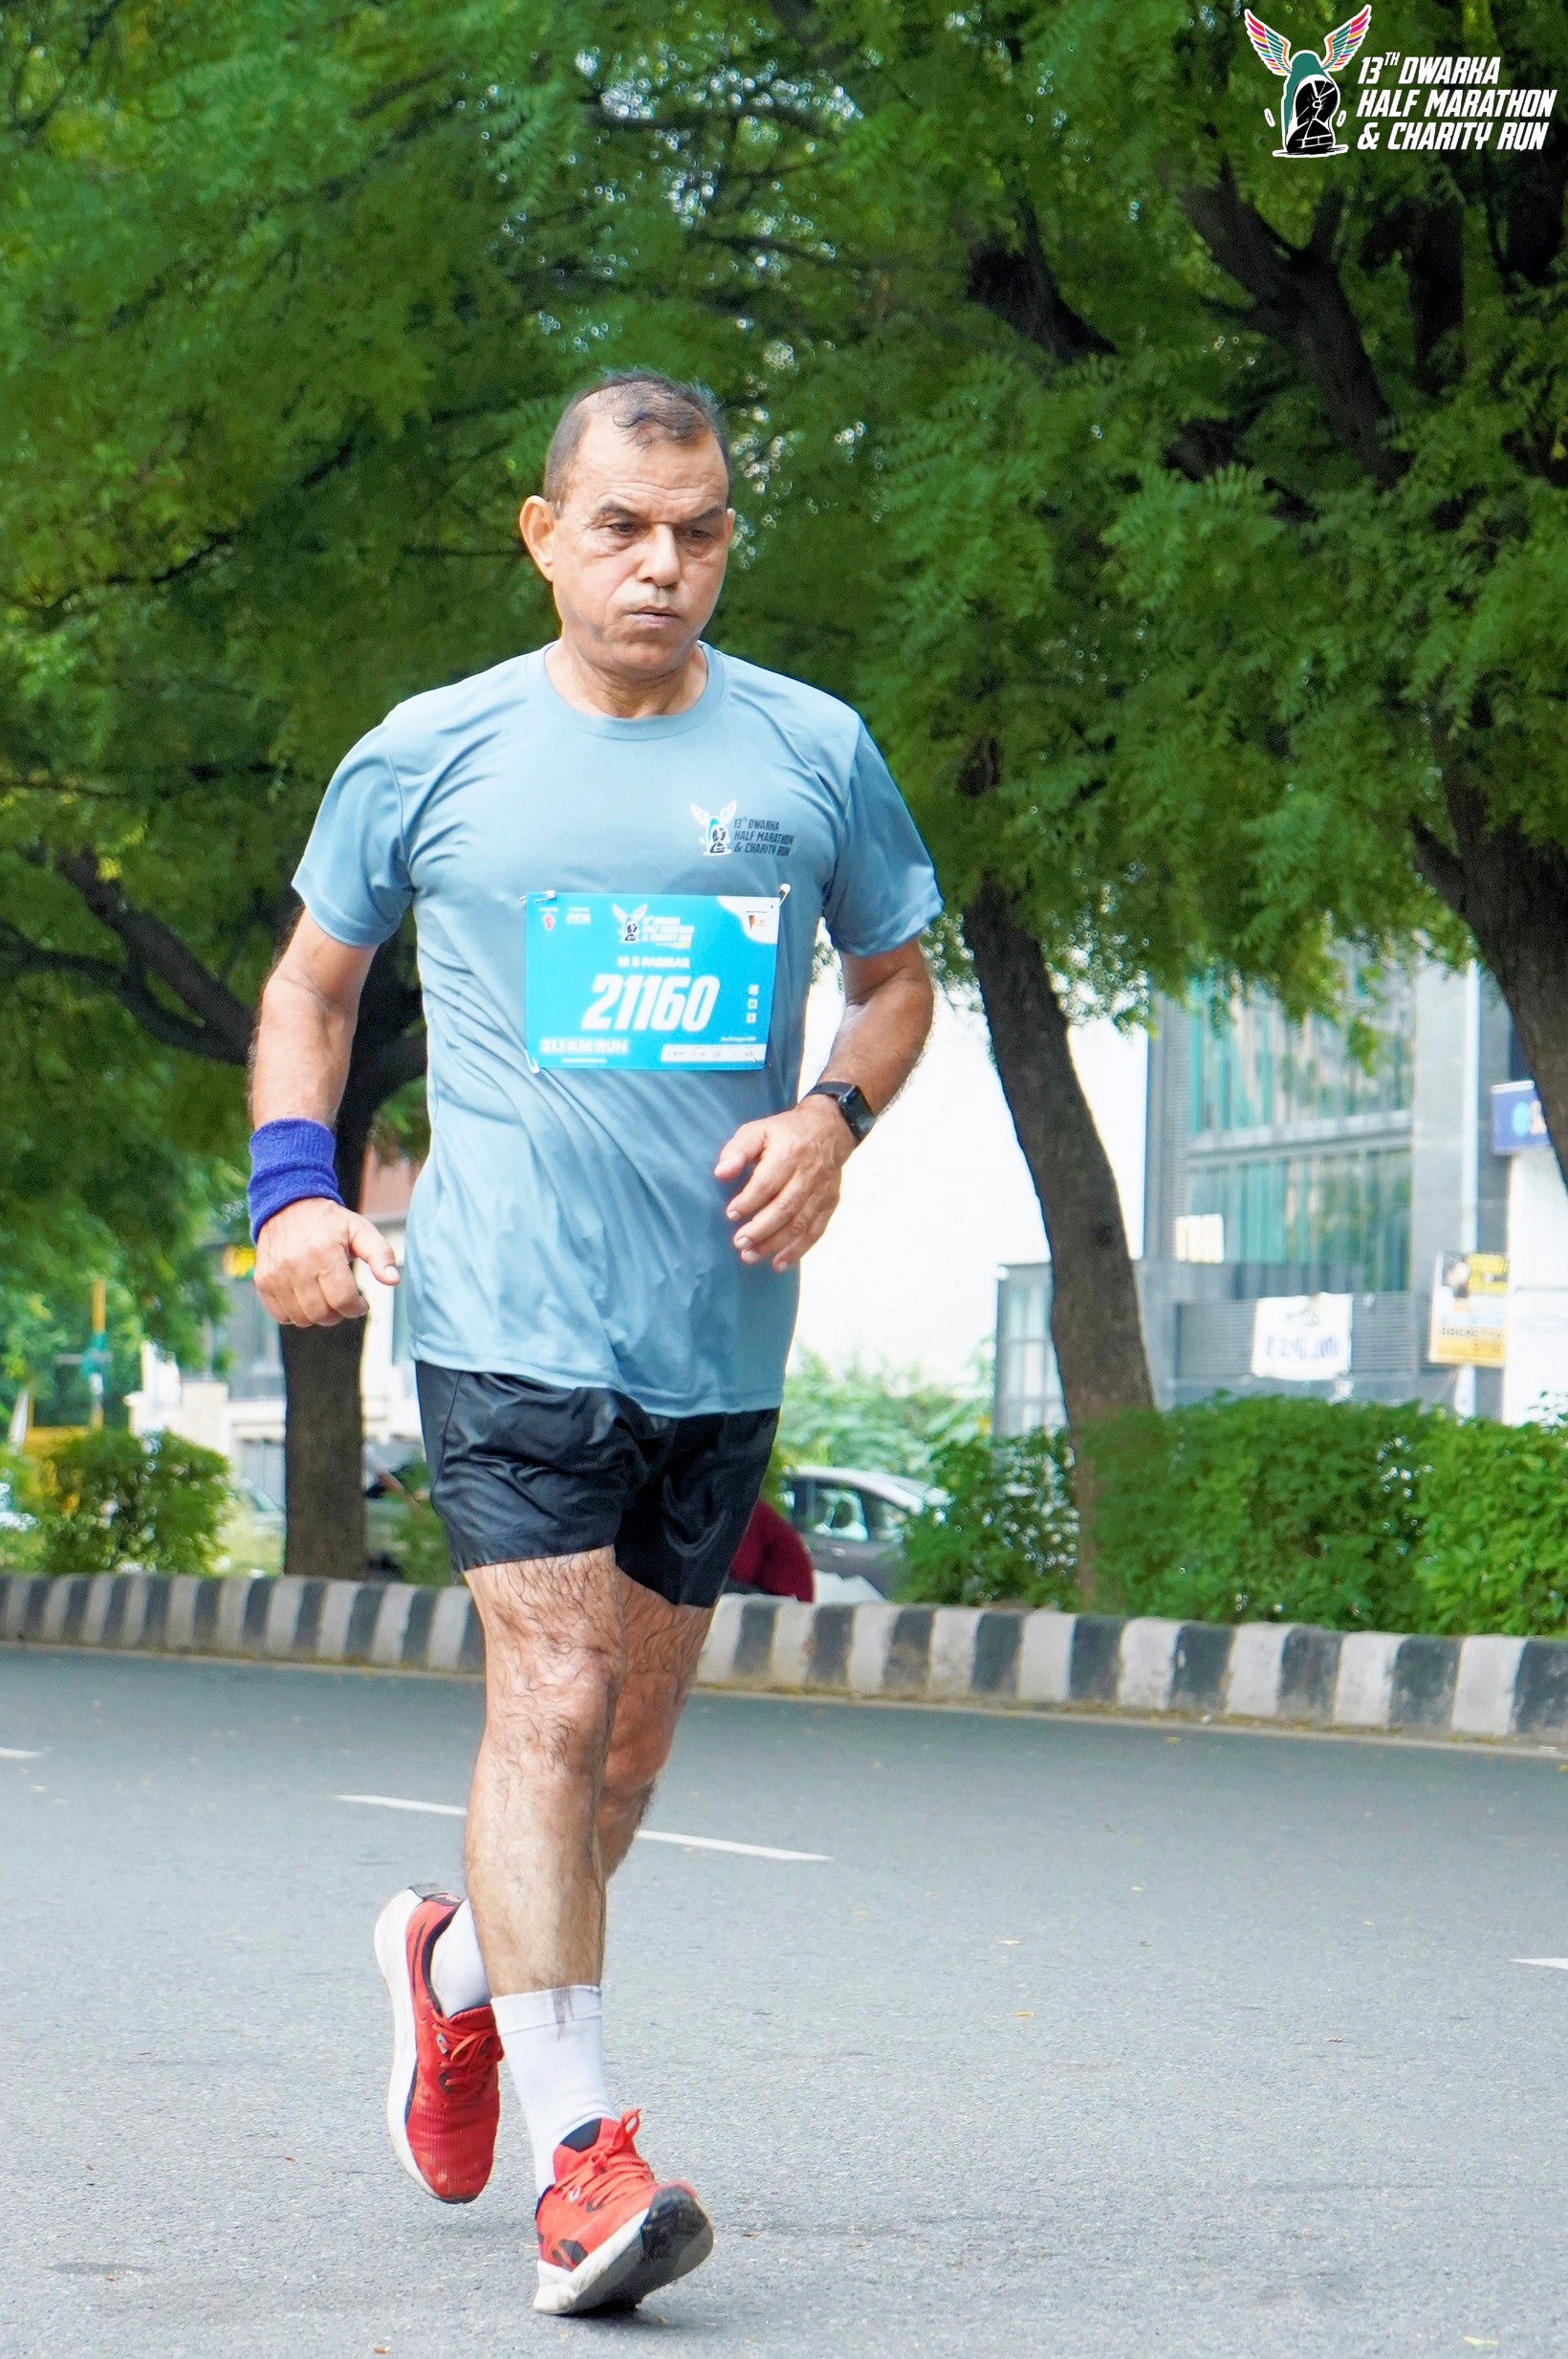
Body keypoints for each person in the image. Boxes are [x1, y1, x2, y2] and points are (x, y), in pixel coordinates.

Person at [248, 370, 939, 2316]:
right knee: (548, 1703)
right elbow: (313, 990)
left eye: (699, 530)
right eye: (624, 525)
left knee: (621, 1759)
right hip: (505, 1309)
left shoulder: (811, 749)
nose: (663, 563)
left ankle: (453, 1968)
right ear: (544, 532)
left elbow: (897, 982)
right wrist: (294, 1194)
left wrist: (834, 1118)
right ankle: (584, 2161)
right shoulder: (429, 751)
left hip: (717, 1326)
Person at [726, 1495, 815, 1603]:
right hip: (770, 1593)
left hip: (783, 1600)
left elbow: (743, 1569)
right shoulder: (746, 1506)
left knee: (712, 1584)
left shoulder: (746, 1509)